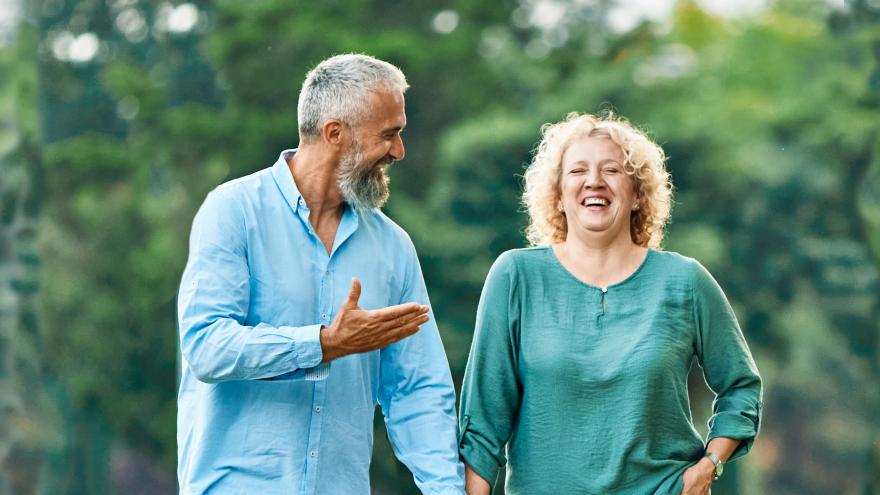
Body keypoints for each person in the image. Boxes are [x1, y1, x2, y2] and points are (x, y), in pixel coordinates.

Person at [177, 54, 465, 494]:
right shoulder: (233, 211)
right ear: (335, 133)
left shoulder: (394, 248)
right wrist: (323, 343)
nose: (399, 152)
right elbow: (207, 348)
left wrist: (447, 490)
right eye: (389, 135)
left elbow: (417, 390)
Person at [458, 112, 762, 495]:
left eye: (612, 170)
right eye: (577, 171)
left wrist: (709, 466)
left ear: (638, 195)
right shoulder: (515, 276)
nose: (594, 181)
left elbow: (741, 386)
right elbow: (484, 418)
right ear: (557, 196)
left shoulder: (684, 281)